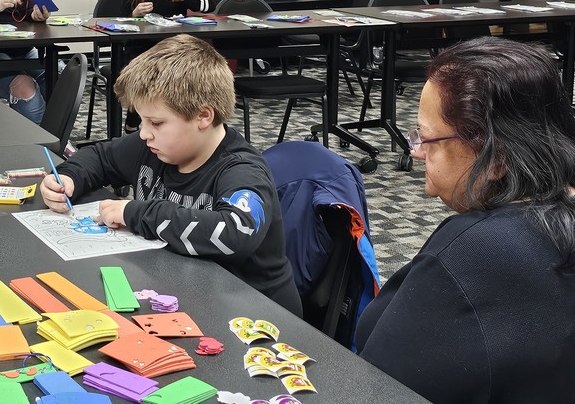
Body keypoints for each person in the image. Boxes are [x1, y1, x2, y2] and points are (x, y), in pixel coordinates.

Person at [355, 37, 575, 402]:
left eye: (427, 139)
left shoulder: (475, 252)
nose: (418, 153)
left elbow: (379, 385)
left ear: (495, 155)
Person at [40, 34, 302, 315]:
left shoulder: (242, 170)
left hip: (255, 316)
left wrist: (137, 213)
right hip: (186, 295)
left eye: (156, 122)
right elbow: (99, 157)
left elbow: (236, 233)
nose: (143, 132)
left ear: (203, 116)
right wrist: (68, 178)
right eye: (141, 120)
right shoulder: (153, 146)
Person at [118, 0, 211, 132]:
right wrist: (134, 15)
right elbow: (117, 24)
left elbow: (209, 5)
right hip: (140, 53)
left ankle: (178, 123)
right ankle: (133, 123)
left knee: (186, 79)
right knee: (143, 81)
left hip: (173, 54)